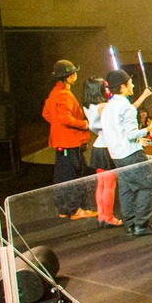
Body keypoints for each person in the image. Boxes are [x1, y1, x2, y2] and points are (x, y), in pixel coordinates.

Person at [101, 69, 152, 236]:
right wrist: (150, 128)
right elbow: (130, 134)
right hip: (131, 154)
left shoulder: (107, 108)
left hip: (117, 155)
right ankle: (141, 225)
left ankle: (130, 224)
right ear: (122, 87)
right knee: (146, 186)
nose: (132, 85)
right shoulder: (126, 107)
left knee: (125, 190)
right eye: (130, 83)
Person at [42, 59, 97, 220]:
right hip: (69, 142)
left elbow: (46, 114)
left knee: (62, 176)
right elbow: (66, 118)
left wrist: (57, 127)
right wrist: (84, 124)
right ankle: (74, 210)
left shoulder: (54, 93)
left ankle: (64, 208)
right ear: (70, 76)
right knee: (73, 176)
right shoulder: (64, 94)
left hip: (61, 142)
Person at [80, 76, 121, 229]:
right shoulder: (103, 106)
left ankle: (102, 216)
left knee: (101, 184)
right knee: (110, 185)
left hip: (97, 146)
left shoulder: (87, 106)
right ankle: (109, 217)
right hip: (106, 147)